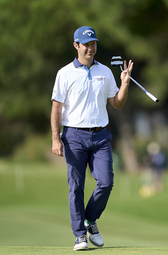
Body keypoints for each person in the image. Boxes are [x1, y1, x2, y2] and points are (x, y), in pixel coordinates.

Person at [50, 26, 133, 251]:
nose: (91, 48)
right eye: (86, 44)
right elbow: (57, 108)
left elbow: (117, 103)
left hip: (100, 136)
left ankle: (89, 220)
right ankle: (79, 236)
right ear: (76, 45)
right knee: (76, 186)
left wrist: (124, 84)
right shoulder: (65, 73)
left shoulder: (105, 72)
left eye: (93, 44)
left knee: (106, 182)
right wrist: (56, 139)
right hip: (73, 136)